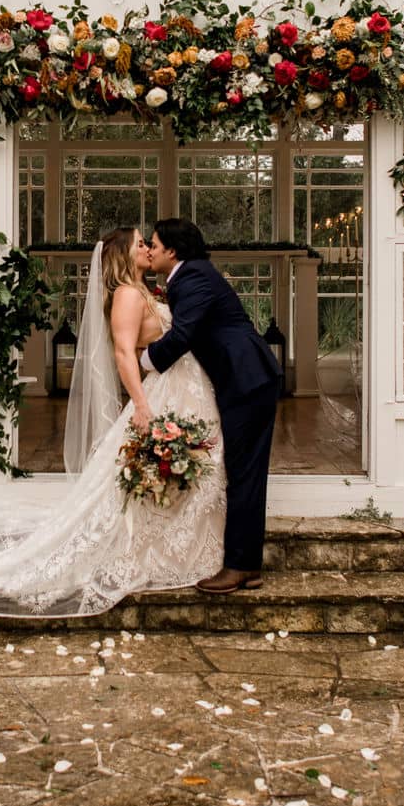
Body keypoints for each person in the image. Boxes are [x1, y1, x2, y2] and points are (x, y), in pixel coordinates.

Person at [0, 229, 225, 617]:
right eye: (139, 243)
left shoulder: (144, 291)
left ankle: (175, 547)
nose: (147, 248)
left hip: (181, 391)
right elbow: (123, 353)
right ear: (121, 255)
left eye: (148, 243)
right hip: (158, 395)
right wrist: (142, 406)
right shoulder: (128, 296)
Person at [142, 218, 282, 594]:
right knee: (242, 471)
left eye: (153, 244)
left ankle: (239, 566)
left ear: (172, 250)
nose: (149, 250)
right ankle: (246, 565)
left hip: (248, 380)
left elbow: (184, 334)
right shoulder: (189, 277)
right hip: (244, 379)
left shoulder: (194, 277)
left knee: (244, 473)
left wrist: (145, 361)